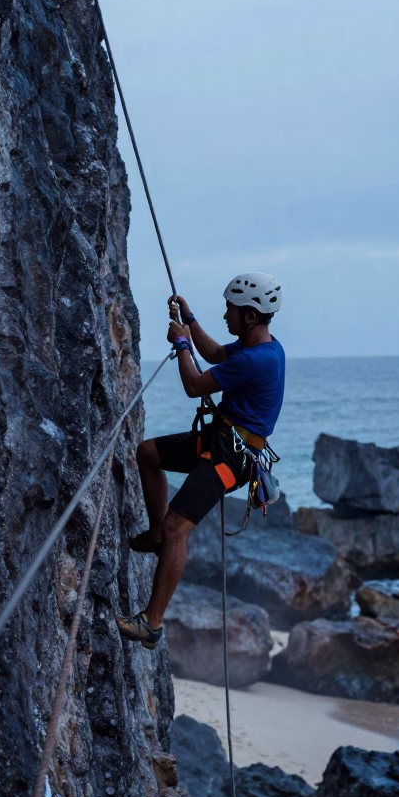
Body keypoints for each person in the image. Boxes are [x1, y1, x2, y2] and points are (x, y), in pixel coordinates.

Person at [116, 272, 285, 650]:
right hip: (219, 439)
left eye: (231, 310)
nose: (226, 315)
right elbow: (212, 353)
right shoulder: (264, 348)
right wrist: (190, 323)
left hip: (232, 456)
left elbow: (194, 384)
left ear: (251, 317)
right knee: (148, 454)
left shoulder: (256, 360)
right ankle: (157, 536)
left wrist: (180, 345)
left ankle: (152, 623)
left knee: (180, 526)